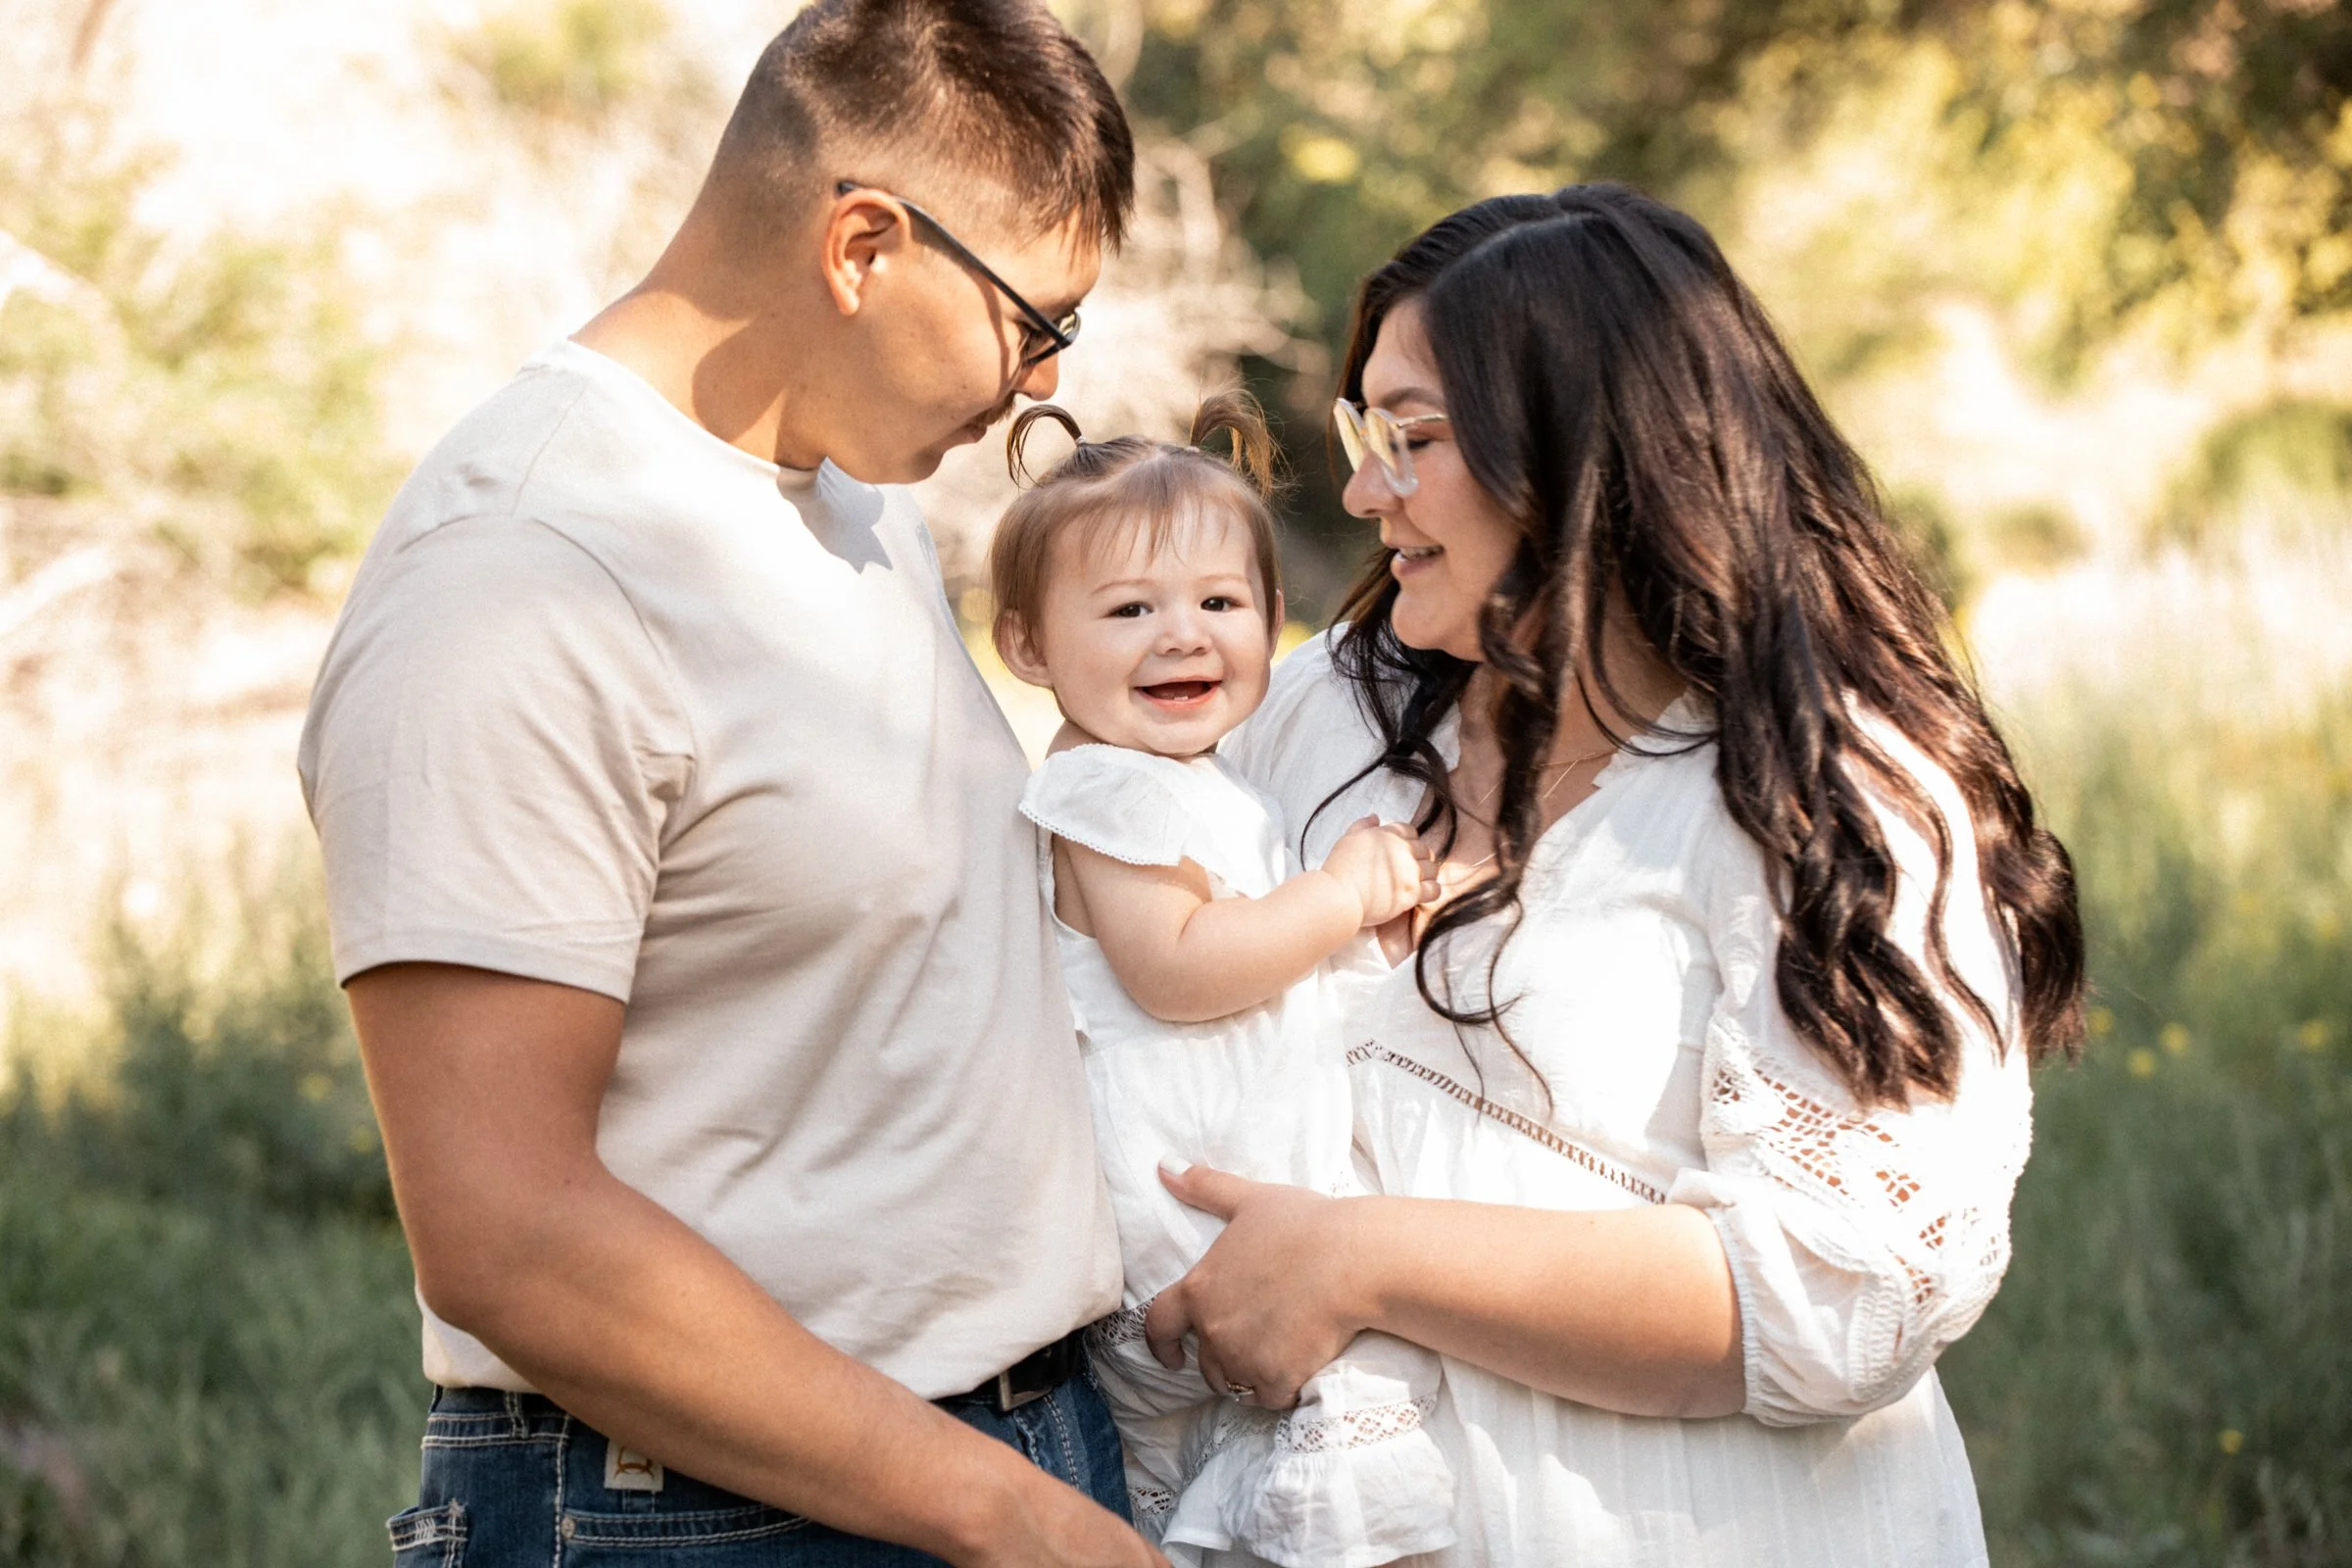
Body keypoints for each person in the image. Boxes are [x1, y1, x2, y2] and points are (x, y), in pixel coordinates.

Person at [296, 2, 1168, 1563]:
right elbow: (511, 1237)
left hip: (1002, 1448)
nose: (1043, 386)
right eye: (1039, 323)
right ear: (863, 248)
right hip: (702, 1516)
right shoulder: (517, 571)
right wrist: (1006, 1518)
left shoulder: (848, 494)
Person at [1150, 183, 2088, 1565]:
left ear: (1583, 456)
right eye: (1365, 434)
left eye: (1411, 437)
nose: (1362, 490)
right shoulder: (1324, 714)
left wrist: (1358, 1256)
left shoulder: (1843, 799)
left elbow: (1847, 1293)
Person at [989, 395, 1453, 1568]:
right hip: (1175, 1223)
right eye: (1130, 610)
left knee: (1212, 1482)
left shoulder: (1207, 780)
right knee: (1220, 1456)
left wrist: (1366, 943)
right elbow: (1183, 969)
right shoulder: (1102, 793)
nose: (1182, 636)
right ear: (1031, 647)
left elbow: (1270, 964)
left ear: (1273, 617)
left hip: (1231, 1193)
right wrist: (1341, 896)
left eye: (1218, 603)